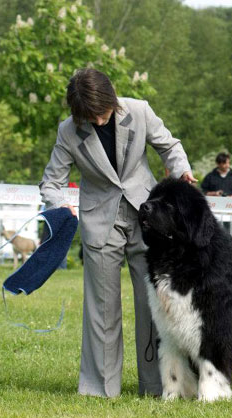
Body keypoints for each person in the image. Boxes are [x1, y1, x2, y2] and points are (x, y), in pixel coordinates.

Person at [39, 68, 196, 398]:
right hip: (100, 223)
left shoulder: (139, 111)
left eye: (101, 113)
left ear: (111, 98)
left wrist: (182, 172)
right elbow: (51, 181)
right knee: (101, 310)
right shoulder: (68, 131)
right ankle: (100, 388)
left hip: (150, 219)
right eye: (88, 117)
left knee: (154, 306)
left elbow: (170, 147)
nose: (97, 122)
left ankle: (158, 386)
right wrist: (58, 207)